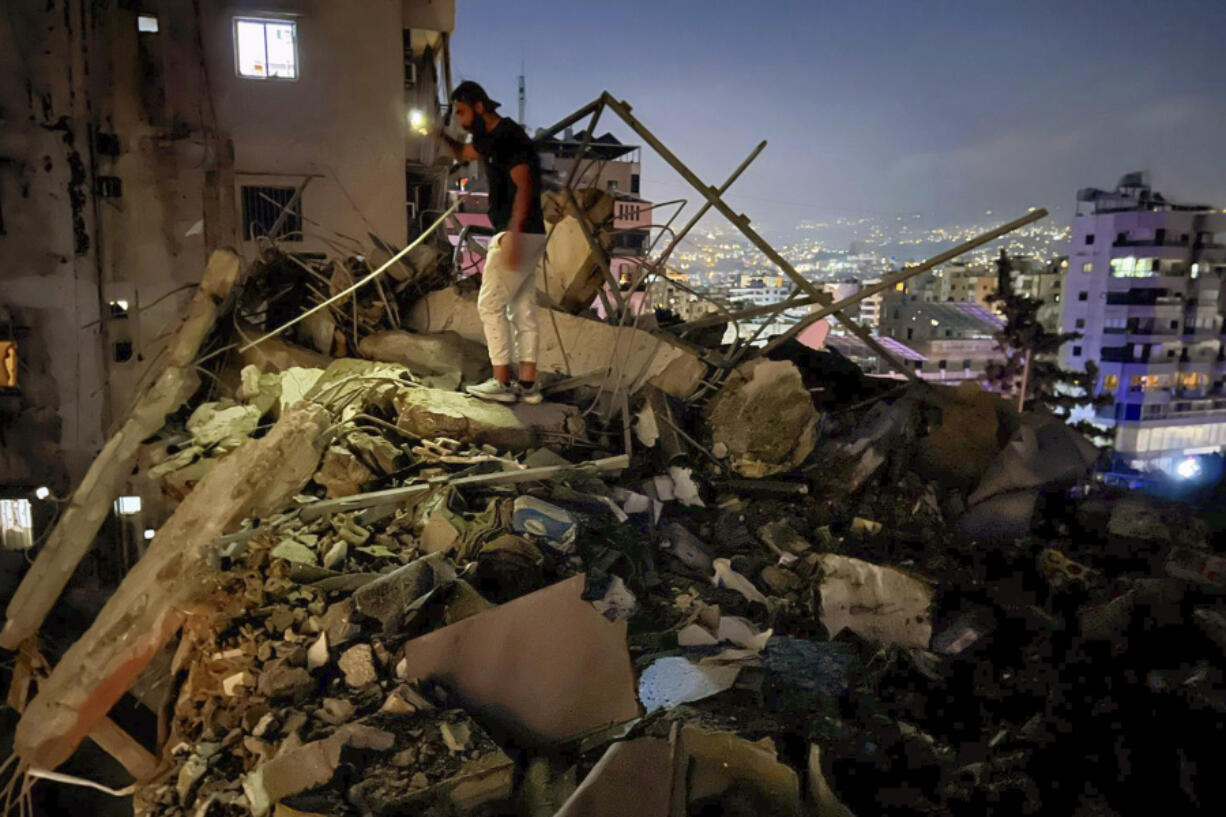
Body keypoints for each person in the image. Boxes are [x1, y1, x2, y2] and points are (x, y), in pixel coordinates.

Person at [437, 81, 547, 404]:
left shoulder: (506, 138)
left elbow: (524, 186)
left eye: (461, 112)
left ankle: (501, 382)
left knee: (489, 304)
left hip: (517, 233)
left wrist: (512, 233)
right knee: (523, 308)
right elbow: (463, 152)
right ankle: (527, 385)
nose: (459, 119)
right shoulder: (491, 139)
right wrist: (437, 135)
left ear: (479, 107)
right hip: (533, 233)